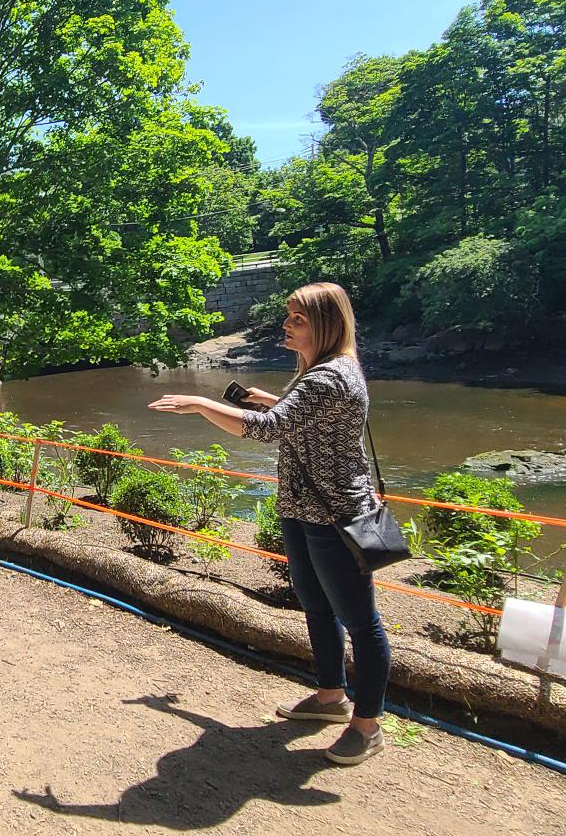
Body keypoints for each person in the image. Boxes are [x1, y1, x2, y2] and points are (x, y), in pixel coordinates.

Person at [147, 281, 391, 766]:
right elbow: (299, 418)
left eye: (297, 319)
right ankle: (329, 698)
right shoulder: (320, 372)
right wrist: (271, 399)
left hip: (335, 516)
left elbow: (266, 430)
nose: (286, 325)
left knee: (361, 623)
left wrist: (200, 403)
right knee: (317, 609)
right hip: (302, 510)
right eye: (289, 316)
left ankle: (367, 726)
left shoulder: (329, 377)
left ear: (325, 325)